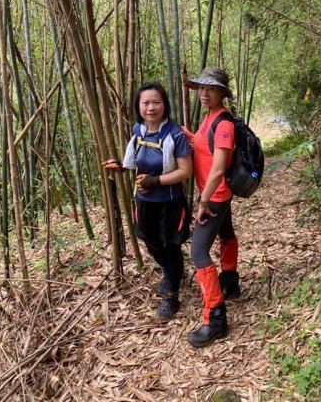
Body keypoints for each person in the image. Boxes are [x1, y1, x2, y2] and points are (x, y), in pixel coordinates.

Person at [102, 82, 192, 320]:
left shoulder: (175, 134)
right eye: (146, 103)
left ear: (165, 105)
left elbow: (185, 171)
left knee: (172, 245)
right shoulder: (139, 130)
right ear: (139, 106)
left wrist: (157, 181)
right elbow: (137, 160)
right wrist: (122, 166)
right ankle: (172, 272)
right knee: (150, 241)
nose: (151, 107)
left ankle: (172, 295)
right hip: (144, 200)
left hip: (171, 201)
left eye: (156, 102)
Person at [184, 67, 240, 348]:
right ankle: (230, 281)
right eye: (201, 88)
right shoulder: (209, 118)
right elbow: (203, 145)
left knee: (198, 251)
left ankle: (216, 318)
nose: (204, 93)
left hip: (215, 195)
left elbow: (218, 168)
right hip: (215, 193)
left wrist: (203, 202)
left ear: (221, 93)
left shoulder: (224, 124)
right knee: (226, 233)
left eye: (211, 89)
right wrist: (188, 136)